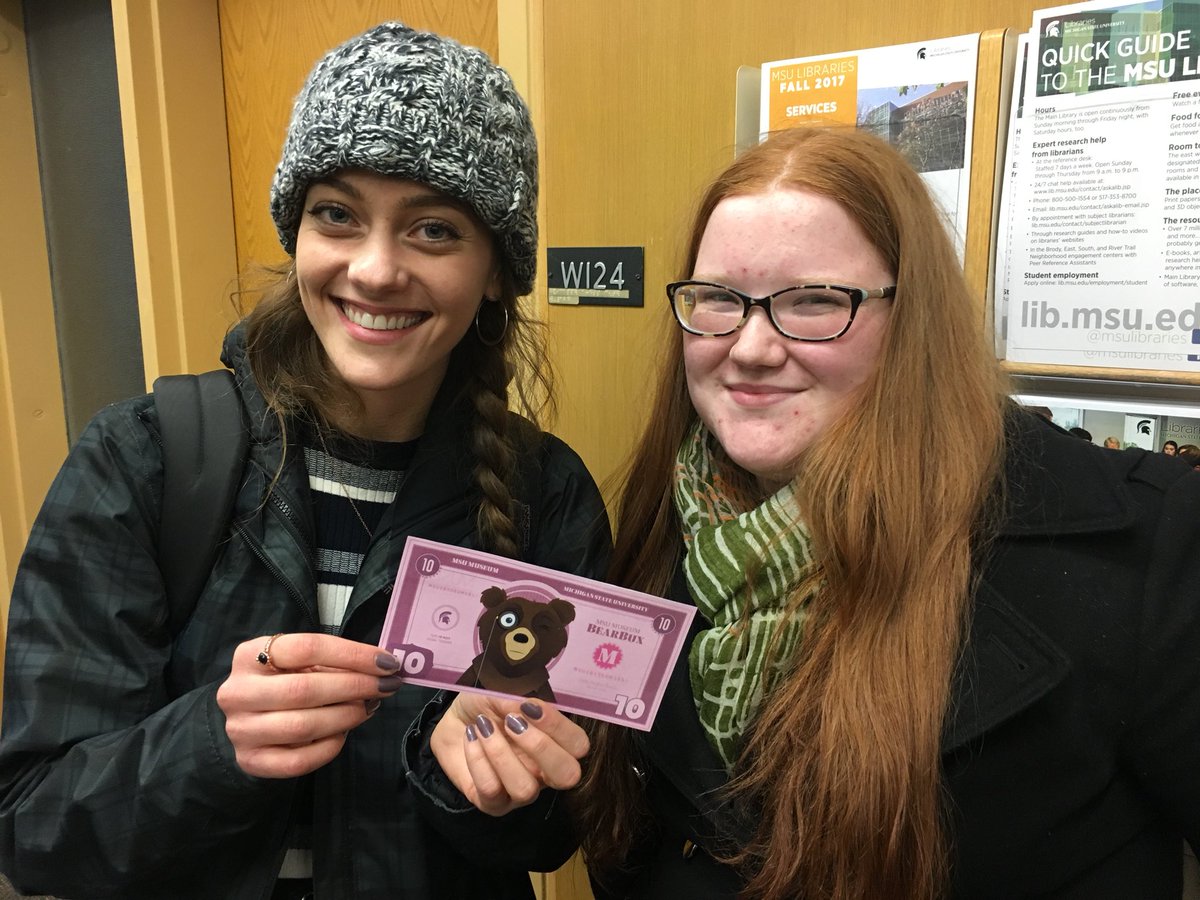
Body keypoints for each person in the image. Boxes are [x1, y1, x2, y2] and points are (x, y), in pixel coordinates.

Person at [420, 126, 1200, 899]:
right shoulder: (670, 529)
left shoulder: (1141, 551)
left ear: (912, 319)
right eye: (719, 300)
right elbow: (596, 824)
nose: (752, 347)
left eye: (816, 301)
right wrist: (483, 758)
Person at [0, 22, 609, 900]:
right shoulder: (148, 460)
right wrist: (212, 743)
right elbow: (32, 823)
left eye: (434, 229)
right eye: (338, 215)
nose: (375, 269)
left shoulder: (545, 494)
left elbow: (558, 834)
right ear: (299, 234)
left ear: (496, 274)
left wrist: (478, 775)